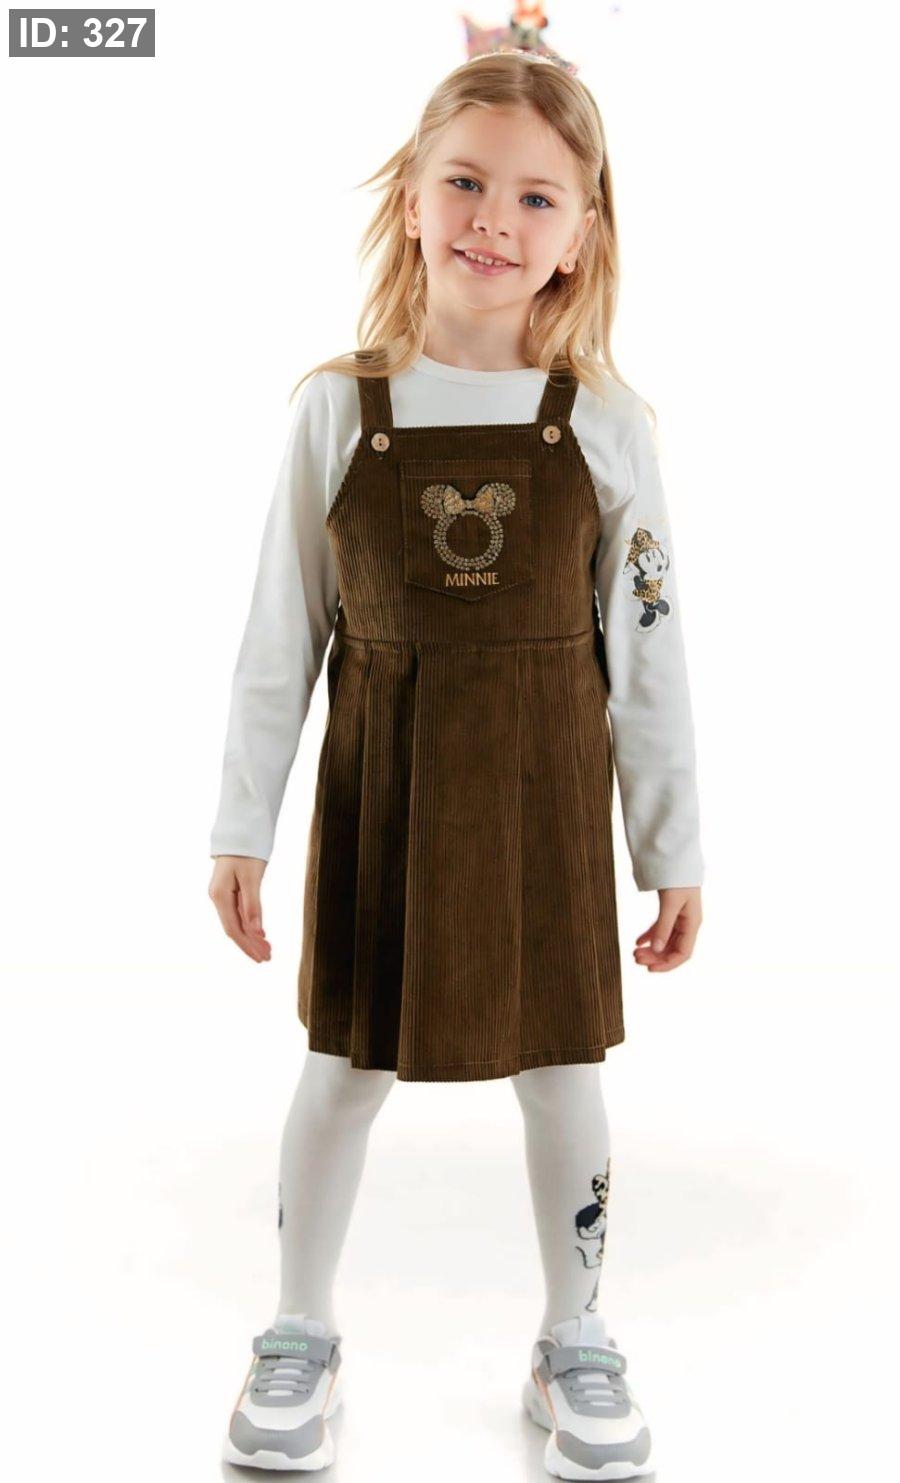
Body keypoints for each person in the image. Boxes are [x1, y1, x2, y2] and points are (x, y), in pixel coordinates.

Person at [209, 46, 704, 1480]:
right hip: (387, 795)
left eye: (538, 196)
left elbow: (652, 652)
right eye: (467, 182)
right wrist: (241, 824)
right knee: (341, 1069)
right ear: (412, 200)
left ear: (583, 232)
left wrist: (671, 849)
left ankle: (576, 1336)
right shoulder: (337, 410)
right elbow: (280, 635)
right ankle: (299, 1326)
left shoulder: (607, 426)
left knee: (563, 1073)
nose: (496, 217)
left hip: (545, 803)